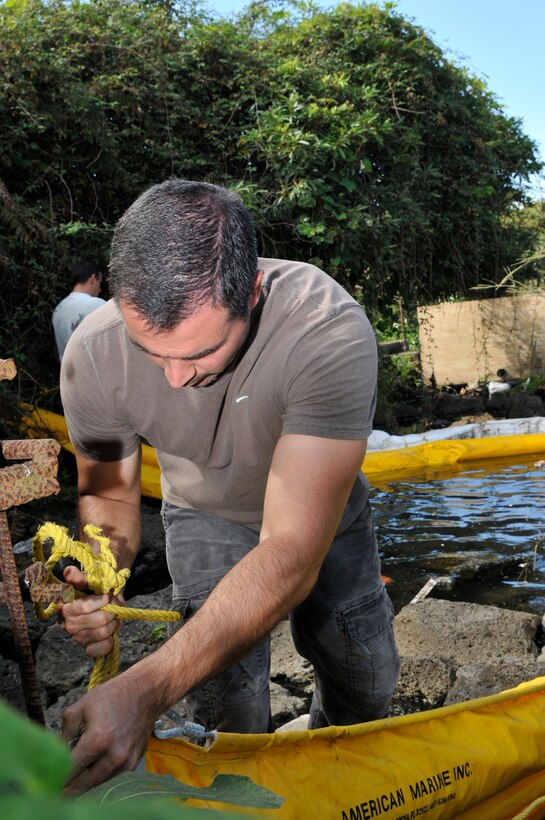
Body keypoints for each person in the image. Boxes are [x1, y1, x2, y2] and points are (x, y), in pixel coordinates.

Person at [58, 179, 400, 793]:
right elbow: (110, 495)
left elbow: (291, 548)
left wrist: (144, 689)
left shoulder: (327, 331)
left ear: (252, 291)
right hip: (202, 512)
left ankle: (339, 780)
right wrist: (100, 570)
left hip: (323, 517)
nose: (174, 377)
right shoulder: (94, 356)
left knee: (365, 679)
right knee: (226, 704)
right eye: (150, 349)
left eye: (201, 352)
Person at [52, 260, 105, 361]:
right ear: (93, 279)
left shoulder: (58, 309)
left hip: (67, 373)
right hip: (92, 372)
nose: (100, 289)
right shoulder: (98, 305)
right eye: (100, 283)